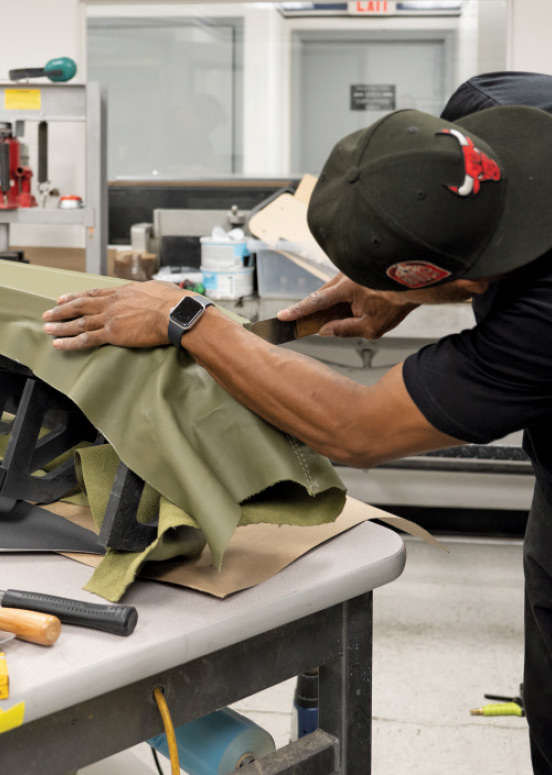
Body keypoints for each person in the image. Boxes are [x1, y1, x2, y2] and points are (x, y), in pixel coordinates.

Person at [43, 75, 552, 774]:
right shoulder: (497, 108)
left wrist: (186, 319)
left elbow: (359, 430)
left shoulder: (541, 319)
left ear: (469, 281)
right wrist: (400, 281)